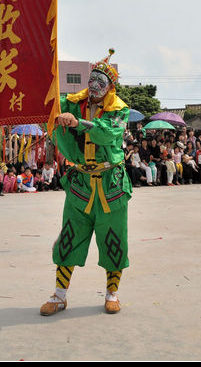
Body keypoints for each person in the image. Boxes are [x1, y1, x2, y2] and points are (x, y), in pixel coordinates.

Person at [40, 50, 132, 317]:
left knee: (114, 239)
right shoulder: (71, 102)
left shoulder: (119, 109)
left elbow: (106, 133)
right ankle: (59, 296)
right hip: (80, 183)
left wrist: (78, 123)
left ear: (109, 87)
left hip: (110, 185)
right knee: (70, 236)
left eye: (100, 83)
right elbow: (49, 103)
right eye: (91, 81)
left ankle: (112, 293)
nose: (94, 87)